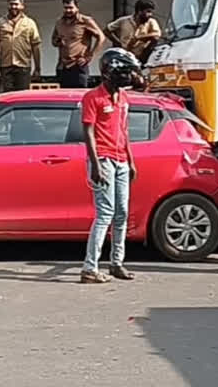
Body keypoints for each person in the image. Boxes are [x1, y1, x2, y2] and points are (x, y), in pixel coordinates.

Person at [80, 48, 141, 284]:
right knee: (105, 213)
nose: (128, 78)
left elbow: (124, 132)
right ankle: (90, 267)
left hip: (122, 161)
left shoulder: (124, 99)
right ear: (110, 72)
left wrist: (131, 160)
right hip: (103, 160)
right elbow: (88, 132)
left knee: (122, 213)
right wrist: (95, 165)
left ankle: (117, 262)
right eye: (124, 72)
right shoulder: (92, 98)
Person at [52, 0, 105, 88]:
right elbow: (53, 41)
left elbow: (101, 37)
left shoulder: (85, 20)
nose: (68, 10)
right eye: (65, 8)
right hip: (63, 67)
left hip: (78, 66)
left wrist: (89, 56)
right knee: (64, 98)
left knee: (79, 97)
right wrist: (58, 41)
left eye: (71, 8)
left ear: (77, 7)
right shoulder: (59, 22)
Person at [0, 0, 42, 92]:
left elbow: (36, 46)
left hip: (23, 66)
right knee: (7, 96)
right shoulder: (0, 22)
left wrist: (37, 68)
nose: (13, 7)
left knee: (22, 96)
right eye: (11, 4)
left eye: (16, 4)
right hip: (6, 66)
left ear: (22, 6)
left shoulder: (30, 23)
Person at [104, 0, 162, 64]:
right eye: (148, 11)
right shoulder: (123, 20)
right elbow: (106, 30)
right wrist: (118, 43)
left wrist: (138, 38)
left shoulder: (151, 21)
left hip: (142, 57)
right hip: (125, 55)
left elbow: (157, 35)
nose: (150, 15)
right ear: (139, 11)